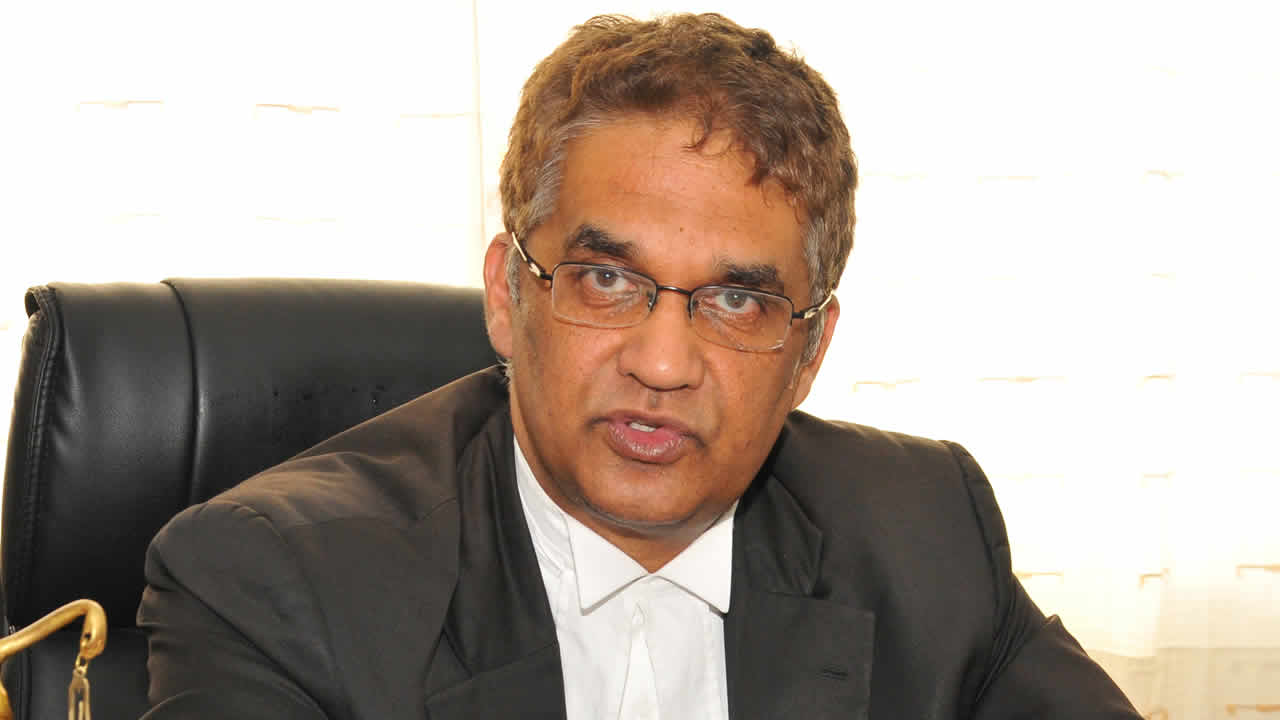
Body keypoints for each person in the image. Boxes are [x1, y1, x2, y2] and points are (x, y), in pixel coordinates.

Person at [138, 13, 1143, 720]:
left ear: (809, 353)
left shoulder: (924, 533)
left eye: (737, 300)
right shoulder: (276, 586)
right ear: (507, 295)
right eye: (607, 280)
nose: (663, 363)